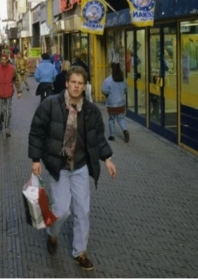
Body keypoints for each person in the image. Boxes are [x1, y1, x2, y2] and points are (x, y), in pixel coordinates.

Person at [28, 66, 117, 270]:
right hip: (58, 165)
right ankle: (52, 233)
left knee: (83, 210)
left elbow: (98, 138)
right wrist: (35, 159)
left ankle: (80, 252)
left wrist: (107, 158)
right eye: (73, 82)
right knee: (61, 210)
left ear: (84, 86)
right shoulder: (50, 104)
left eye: (80, 83)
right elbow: (36, 132)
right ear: (67, 83)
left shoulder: (91, 111)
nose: (76, 86)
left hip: (80, 166)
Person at [0, 53, 22, 137]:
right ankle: (0, 121)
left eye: (4, 60)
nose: (3, 61)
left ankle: (7, 127)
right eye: (2, 59)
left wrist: (19, 91)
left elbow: (16, 80)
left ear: (7, 60)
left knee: (8, 111)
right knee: (0, 111)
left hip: (8, 92)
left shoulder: (12, 69)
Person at [102, 63, 129, 143]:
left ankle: (112, 135)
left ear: (111, 69)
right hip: (121, 103)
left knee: (111, 119)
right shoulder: (123, 79)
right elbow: (126, 90)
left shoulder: (108, 80)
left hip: (111, 104)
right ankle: (125, 130)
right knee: (121, 118)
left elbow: (104, 91)